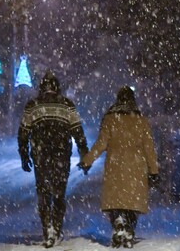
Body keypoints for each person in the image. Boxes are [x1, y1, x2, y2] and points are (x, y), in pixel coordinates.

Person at [78, 86, 159, 249]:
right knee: (132, 202)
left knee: (116, 201)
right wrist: (154, 170)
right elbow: (149, 147)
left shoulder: (110, 119)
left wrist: (87, 160)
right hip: (136, 166)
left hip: (115, 165)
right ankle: (129, 230)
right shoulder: (141, 120)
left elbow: (101, 144)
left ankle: (118, 224)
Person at [18, 71, 89, 248]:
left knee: (43, 193)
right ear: (57, 88)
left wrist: (24, 155)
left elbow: (23, 133)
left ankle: (46, 228)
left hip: (40, 155)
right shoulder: (67, 105)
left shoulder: (32, 105)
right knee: (59, 192)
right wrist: (84, 154)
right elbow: (77, 131)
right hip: (61, 155)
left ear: (42, 87)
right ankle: (56, 228)